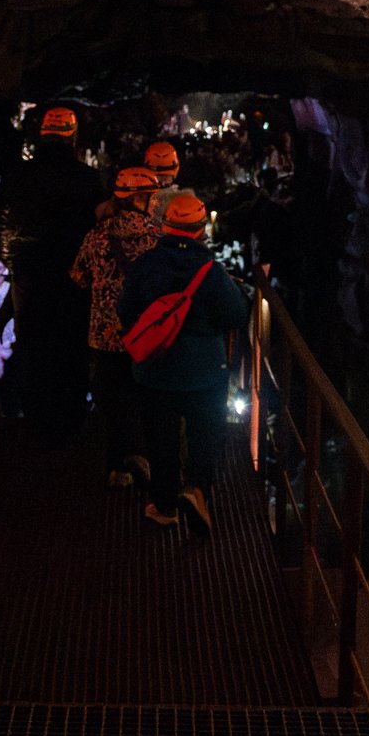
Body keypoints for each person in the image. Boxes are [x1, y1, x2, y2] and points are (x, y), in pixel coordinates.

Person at [117, 190, 248, 535]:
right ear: (201, 230)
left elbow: (125, 310)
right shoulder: (212, 273)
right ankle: (198, 490)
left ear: (165, 226)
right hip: (204, 373)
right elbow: (235, 313)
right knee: (204, 435)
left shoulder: (144, 266)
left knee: (161, 440)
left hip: (154, 371)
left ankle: (164, 506)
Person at [2, 105, 105, 441]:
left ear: (42, 135)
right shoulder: (88, 179)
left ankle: (35, 419)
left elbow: (1, 223)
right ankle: (70, 421)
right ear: (73, 136)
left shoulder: (17, 176)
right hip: (73, 276)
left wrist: (10, 257)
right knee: (72, 345)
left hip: (30, 272)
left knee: (32, 342)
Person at [71, 165, 163, 487]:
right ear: (139, 200)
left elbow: (79, 276)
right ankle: (145, 458)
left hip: (105, 336)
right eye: (151, 197)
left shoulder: (97, 236)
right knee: (143, 398)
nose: (155, 202)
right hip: (145, 336)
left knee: (113, 403)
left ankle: (116, 468)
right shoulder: (156, 238)